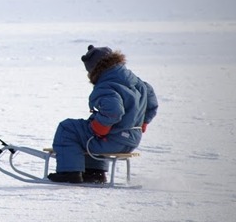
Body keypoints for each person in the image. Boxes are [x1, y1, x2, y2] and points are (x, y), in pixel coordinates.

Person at [48, 45, 158, 184]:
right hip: (132, 140)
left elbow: (114, 111)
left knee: (68, 128)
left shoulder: (106, 85)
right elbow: (152, 103)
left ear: (94, 70)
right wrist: (142, 123)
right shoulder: (138, 83)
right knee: (89, 129)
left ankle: (69, 173)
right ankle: (94, 172)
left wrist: (100, 128)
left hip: (113, 141)